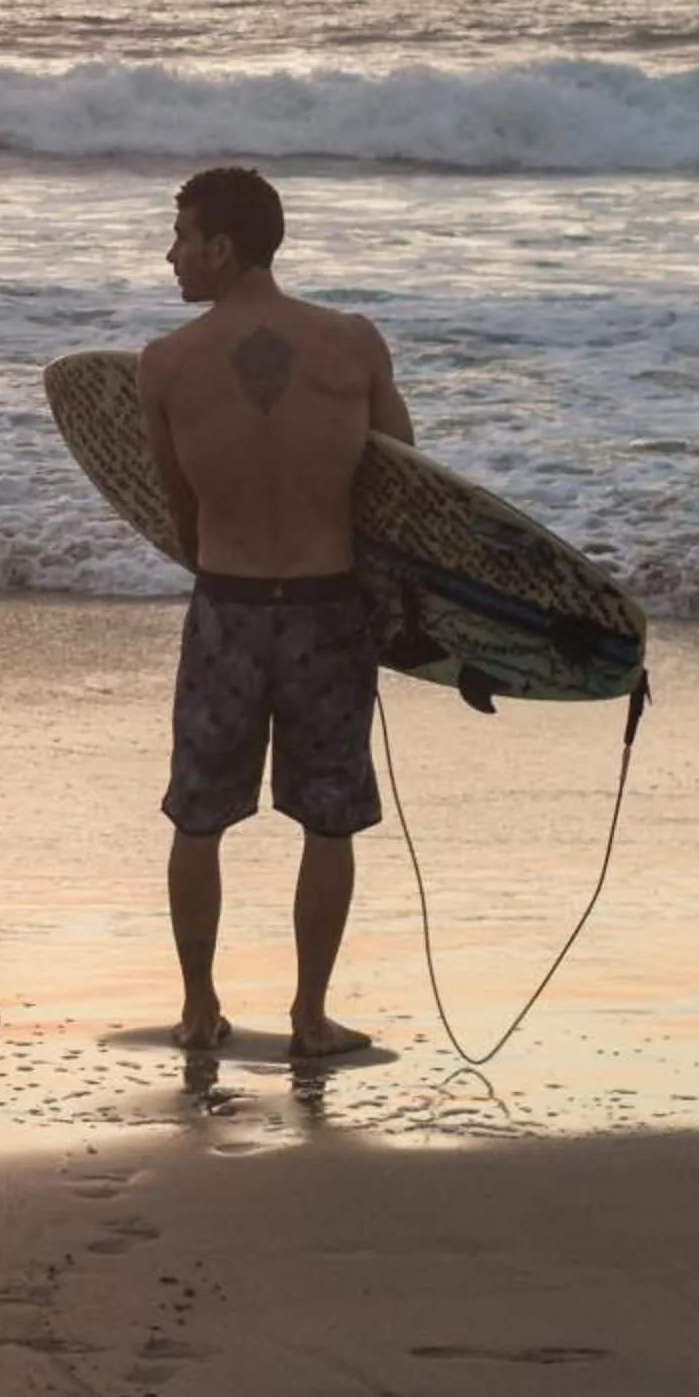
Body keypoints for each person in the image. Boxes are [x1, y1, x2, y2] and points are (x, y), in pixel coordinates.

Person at [137, 166, 412, 1084]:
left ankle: (199, 1009)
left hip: (227, 608)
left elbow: (174, 514)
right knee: (327, 821)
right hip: (329, 613)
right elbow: (404, 494)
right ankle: (310, 1016)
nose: (170, 255)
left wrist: (225, 559)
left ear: (221, 246)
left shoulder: (167, 362)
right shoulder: (354, 346)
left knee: (197, 815)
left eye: (181, 237)